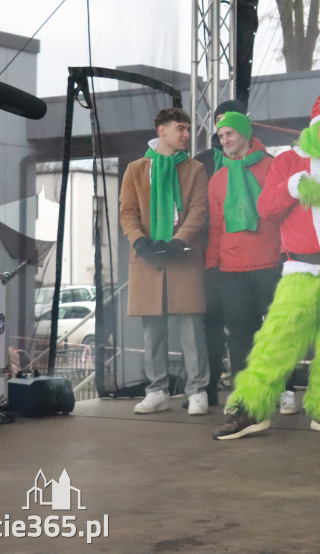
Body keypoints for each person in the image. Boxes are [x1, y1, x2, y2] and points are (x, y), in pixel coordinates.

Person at [213, 87, 320, 440]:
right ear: (315, 127)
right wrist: (292, 186)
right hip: (301, 269)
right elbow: (266, 210)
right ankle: (252, 408)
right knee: (277, 341)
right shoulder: (288, 162)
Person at [119, 107, 210, 415]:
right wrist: (139, 240)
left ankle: (197, 390)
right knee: (152, 330)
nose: (186, 134)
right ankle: (156, 390)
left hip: (182, 257)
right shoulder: (136, 169)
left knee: (190, 327)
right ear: (162, 131)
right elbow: (127, 211)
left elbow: (198, 210)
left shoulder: (195, 169)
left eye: (187, 129)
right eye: (181, 129)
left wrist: (179, 241)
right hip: (148, 259)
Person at [204, 111, 282, 401]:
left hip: (270, 262)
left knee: (277, 332)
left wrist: (286, 254)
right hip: (232, 267)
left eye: (230, 134)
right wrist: (213, 263)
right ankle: (243, 395)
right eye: (221, 136)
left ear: (245, 134)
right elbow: (215, 226)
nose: (224, 140)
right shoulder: (217, 178)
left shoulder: (273, 167)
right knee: (238, 334)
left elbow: (283, 214)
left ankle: (284, 390)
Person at [193, 99, 247, 406]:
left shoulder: (261, 158)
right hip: (211, 257)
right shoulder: (201, 161)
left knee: (245, 324)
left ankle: (250, 388)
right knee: (210, 323)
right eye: (221, 123)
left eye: (232, 122)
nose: (225, 133)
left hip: (248, 259)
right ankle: (209, 386)